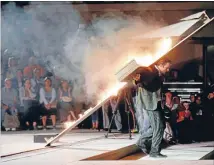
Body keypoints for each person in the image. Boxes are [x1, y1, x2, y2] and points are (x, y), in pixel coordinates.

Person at [135, 58, 171, 158]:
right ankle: (154, 151)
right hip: (150, 103)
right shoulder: (149, 71)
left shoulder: (158, 74)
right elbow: (142, 83)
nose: (168, 70)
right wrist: (138, 80)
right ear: (161, 65)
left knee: (161, 125)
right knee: (158, 127)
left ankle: (141, 142)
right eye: (167, 68)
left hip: (156, 102)